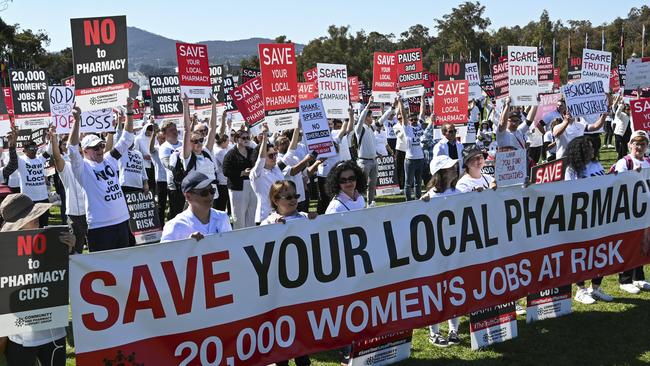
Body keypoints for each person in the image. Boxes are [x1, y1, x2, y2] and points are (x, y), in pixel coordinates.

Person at [0, 193, 75, 366]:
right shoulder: (5, 253)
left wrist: (71, 251)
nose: (37, 219)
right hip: (18, 337)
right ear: (18, 225)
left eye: (36, 215)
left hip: (54, 333)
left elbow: (78, 277)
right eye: (31, 217)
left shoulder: (54, 241)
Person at [68, 100, 135, 252]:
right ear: (84, 151)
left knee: (125, 264)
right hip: (100, 226)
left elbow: (127, 139)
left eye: (101, 146)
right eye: (95, 148)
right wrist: (76, 121)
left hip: (122, 220)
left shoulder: (109, 160)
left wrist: (129, 112)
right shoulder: (82, 168)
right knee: (104, 268)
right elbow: (71, 149)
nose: (100, 149)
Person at [563, 136, 613, 304]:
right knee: (582, 255)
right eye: (589, 149)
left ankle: (596, 288)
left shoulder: (597, 165)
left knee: (601, 252)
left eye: (593, 148)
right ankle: (581, 290)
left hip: (600, 215)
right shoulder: (571, 170)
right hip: (581, 219)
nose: (593, 151)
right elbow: (568, 193)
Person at [421, 155, 461, 347]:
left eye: (454, 167)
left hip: (455, 252)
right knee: (436, 292)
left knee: (455, 289)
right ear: (441, 173)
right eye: (450, 168)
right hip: (436, 253)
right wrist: (421, 205)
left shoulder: (459, 192)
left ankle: (454, 329)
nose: (455, 170)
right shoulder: (430, 197)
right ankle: (434, 332)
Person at [613, 130, 650, 294]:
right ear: (630, 145)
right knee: (628, 243)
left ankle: (638, 277)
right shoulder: (624, 162)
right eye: (636, 143)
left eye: (643, 144)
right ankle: (625, 279)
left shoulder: (648, 162)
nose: (639, 147)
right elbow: (615, 183)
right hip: (627, 210)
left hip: (644, 210)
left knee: (643, 242)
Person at [161, 171, 231, 242]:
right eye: (204, 193)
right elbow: (163, 252)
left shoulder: (222, 217)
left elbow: (231, 247)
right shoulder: (175, 225)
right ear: (188, 196)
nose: (210, 196)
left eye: (212, 190)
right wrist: (187, 244)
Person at [49, 126, 87, 254]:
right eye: (78, 152)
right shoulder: (67, 167)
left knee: (97, 248)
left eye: (81, 152)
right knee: (76, 250)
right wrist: (54, 139)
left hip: (92, 213)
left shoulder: (90, 165)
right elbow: (57, 157)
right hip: (75, 215)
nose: (79, 155)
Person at [3, 129, 51, 227]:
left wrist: (51, 139)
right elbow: (13, 154)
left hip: (43, 198)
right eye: (31, 149)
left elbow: (49, 151)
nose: (34, 151)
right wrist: (13, 140)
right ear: (24, 151)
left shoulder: (40, 159)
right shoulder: (21, 161)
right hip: (28, 200)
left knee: (44, 225)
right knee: (30, 227)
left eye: (35, 148)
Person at [181, 96, 222, 207]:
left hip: (211, 194)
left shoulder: (206, 151)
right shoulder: (188, 156)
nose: (199, 143)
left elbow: (213, 128)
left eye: (201, 140)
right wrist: (185, 105)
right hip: (196, 197)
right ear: (189, 143)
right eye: (194, 141)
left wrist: (214, 104)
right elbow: (186, 130)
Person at [250, 124, 285, 224]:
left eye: (275, 154)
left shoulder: (276, 169)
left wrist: (296, 128)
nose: (274, 157)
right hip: (264, 217)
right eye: (270, 155)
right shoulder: (256, 174)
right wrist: (265, 136)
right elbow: (260, 159)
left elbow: (290, 153)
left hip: (280, 214)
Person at [222, 129, 257, 229]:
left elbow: (258, 165)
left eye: (248, 138)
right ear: (237, 139)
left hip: (252, 185)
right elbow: (226, 171)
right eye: (243, 138)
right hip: (237, 188)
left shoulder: (251, 151)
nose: (246, 140)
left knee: (252, 213)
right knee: (238, 215)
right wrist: (242, 173)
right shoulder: (230, 154)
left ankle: (252, 235)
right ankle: (239, 237)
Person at [395, 98, 425, 200]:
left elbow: (423, 111)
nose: (413, 121)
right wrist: (400, 102)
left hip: (420, 158)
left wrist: (423, 98)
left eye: (415, 119)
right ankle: (408, 202)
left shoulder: (420, 125)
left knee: (418, 183)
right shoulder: (407, 128)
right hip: (410, 159)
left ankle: (418, 200)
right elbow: (403, 114)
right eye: (411, 120)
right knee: (408, 183)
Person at [354, 96, 378, 205]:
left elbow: (382, 120)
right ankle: (360, 204)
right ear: (366, 118)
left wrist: (392, 108)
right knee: (362, 186)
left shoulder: (371, 128)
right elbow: (360, 118)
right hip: (363, 162)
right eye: (370, 117)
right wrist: (368, 105)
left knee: (372, 186)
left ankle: (370, 203)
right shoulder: (359, 129)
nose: (372, 119)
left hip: (373, 161)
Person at [159, 119, 184, 220]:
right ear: (164, 134)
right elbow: (168, 165)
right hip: (174, 186)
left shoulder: (183, 143)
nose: (174, 132)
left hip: (187, 182)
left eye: (175, 129)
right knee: (176, 213)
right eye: (171, 130)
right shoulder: (164, 147)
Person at [150, 128, 168, 225]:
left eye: (164, 138)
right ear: (157, 139)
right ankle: (160, 225)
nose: (162, 140)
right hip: (161, 180)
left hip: (171, 180)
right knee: (161, 205)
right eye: (160, 138)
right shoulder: (156, 149)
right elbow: (150, 148)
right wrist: (153, 134)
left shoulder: (170, 148)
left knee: (173, 204)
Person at [612, 94, 631, 159]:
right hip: (619, 134)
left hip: (627, 133)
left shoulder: (630, 116)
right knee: (621, 148)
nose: (629, 110)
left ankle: (623, 159)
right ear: (625, 110)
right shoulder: (622, 115)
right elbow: (617, 113)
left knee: (624, 149)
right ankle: (620, 159)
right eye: (627, 109)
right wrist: (621, 105)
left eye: (629, 109)